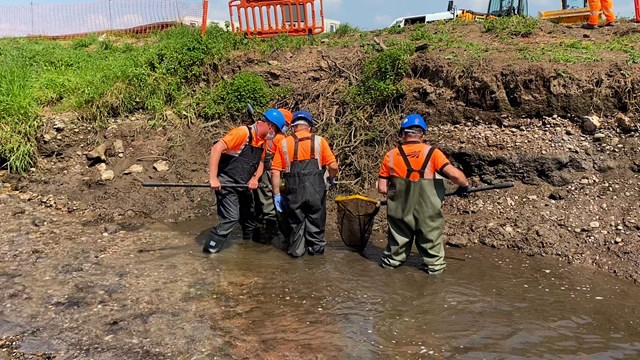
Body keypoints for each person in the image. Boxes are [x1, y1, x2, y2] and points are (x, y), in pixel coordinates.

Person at [377, 114, 471, 274]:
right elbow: (455, 176)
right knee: (433, 254)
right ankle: (434, 281)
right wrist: (465, 186)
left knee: (394, 255)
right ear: (422, 134)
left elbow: (382, 188)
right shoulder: (433, 153)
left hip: (399, 213)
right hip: (427, 214)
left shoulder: (390, 155)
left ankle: (390, 271)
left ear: (402, 134)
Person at [203, 108, 286, 254]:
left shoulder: (263, 142)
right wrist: (213, 178)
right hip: (226, 182)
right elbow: (216, 149)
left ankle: (247, 252)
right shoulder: (242, 133)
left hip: (243, 184)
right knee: (231, 218)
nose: (275, 135)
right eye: (276, 132)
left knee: (249, 220)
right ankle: (209, 250)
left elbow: (260, 162)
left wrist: (255, 178)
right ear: (271, 126)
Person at [270, 111, 339, 257]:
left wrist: (276, 194)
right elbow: (333, 166)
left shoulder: (284, 143)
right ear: (310, 127)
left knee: (296, 224)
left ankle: (297, 253)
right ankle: (316, 255)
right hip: (316, 190)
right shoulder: (320, 141)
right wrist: (331, 178)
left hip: (294, 192)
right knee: (316, 221)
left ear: (293, 126)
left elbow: (275, 171)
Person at [254, 108, 293, 244]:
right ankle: (273, 235)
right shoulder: (280, 139)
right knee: (271, 206)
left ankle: (262, 234)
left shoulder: (266, 136)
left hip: (265, 172)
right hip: (272, 172)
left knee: (263, 203)